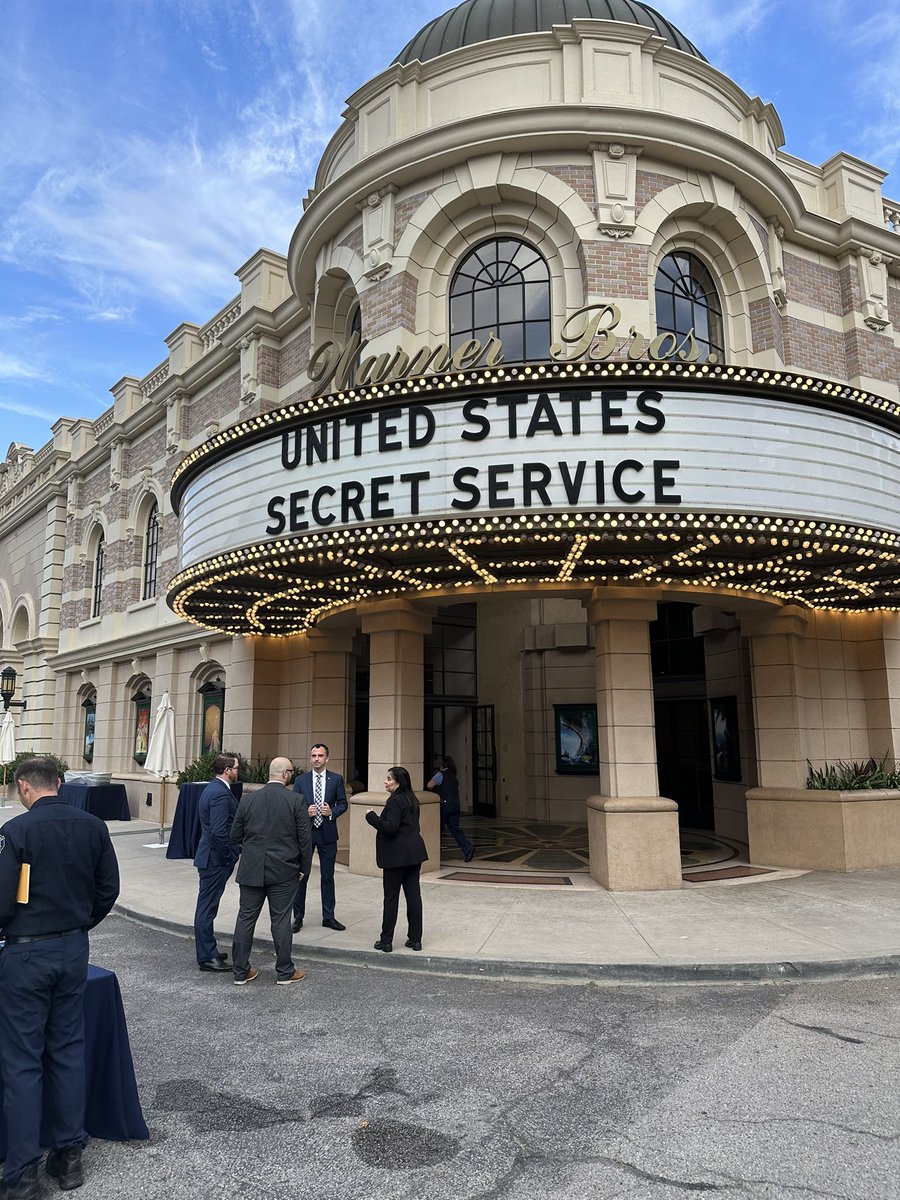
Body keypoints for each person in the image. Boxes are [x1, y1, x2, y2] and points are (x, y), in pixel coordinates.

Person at [0, 757, 120, 1199]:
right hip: (73, 948)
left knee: (23, 1061)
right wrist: (80, 923)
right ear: (59, 784)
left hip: (27, 953)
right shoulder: (93, 825)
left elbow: (0, 901)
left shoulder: (16, 831)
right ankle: (70, 1158)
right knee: (68, 1050)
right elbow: (109, 888)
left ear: (25, 788)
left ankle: (23, 1174)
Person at [229, 756, 311, 986]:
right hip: (284, 870)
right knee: (281, 920)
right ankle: (285, 971)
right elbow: (305, 841)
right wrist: (304, 869)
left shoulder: (248, 800)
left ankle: (240, 971)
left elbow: (235, 835)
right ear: (285, 774)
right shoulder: (296, 800)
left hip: (252, 868)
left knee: (246, 918)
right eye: (291, 772)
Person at [365, 766, 428, 953]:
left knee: (391, 898)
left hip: (396, 857)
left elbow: (390, 828)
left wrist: (371, 817)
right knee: (413, 897)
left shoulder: (395, 801)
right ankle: (415, 940)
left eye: (389, 779)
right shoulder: (412, 799)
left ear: (398, 782)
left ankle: (386, 941)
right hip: (414, 854)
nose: (385, 781)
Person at [290, 743, 348, 933]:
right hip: (306, 834)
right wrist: (305, 811)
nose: (316, 759)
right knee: (301, 876)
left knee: (328, 876)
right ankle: (297, 917)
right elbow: (293, 805)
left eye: (320, 755)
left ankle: (328, 917)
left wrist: (331, 812)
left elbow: (343, 804)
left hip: (327, 833)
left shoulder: (336, 779)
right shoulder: (301, 780)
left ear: (327, 758)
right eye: (313, 755)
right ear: (310, 758)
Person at [192, 751, 241, 973]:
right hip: (214, 859)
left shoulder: (212, 788)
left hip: (210, 856)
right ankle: (207, 957)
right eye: (236, 767)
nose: (238, 771)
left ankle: (209, 950)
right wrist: (231, 853)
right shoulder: (220, 793)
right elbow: (220, 832)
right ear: (227, 770)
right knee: (207, 907)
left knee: (208, 906)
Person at [426, 754, 474, 863]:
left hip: (444, 805)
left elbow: (429, 785)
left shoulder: (440, 774)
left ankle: (434, 852)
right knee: (454, 829)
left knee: (438, 828)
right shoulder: (453, 776)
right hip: (455, 805)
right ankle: (468, 848)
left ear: (442, 766)